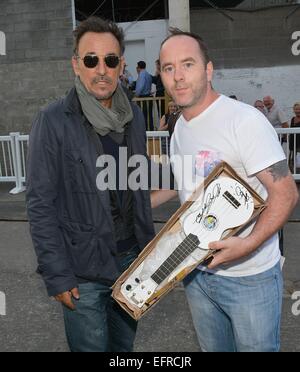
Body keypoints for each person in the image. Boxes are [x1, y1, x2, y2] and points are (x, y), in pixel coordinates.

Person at [151, 28, 299, 352]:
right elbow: (184, 187)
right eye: (168, 67)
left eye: (187, 64)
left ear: (208, 70)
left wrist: (247, 245)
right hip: (196, 275)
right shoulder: (179, 130)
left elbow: (286, 193)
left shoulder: (244, 121)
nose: (178, 76)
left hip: (250, 278)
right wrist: (128, 205)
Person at [26, 16, 155, 352]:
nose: (102, 69)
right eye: (91, 60)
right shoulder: (53, 120)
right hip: (82, 269)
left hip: (131, 261)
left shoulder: (134, 116)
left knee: (123, 349)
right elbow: (40, 203)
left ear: (121, 65)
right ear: (76, 65)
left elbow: (136, 186)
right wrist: (57, 275)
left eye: (110, 60)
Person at [135, 61, 154, 130]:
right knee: (149, 115)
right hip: (148, 96)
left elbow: (140, 86)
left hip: (143, 98)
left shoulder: (141, 74)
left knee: (142, 115)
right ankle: (150, 129)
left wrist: (136, 95)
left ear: (138, 67)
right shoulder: (148, 74)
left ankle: (144, 130)